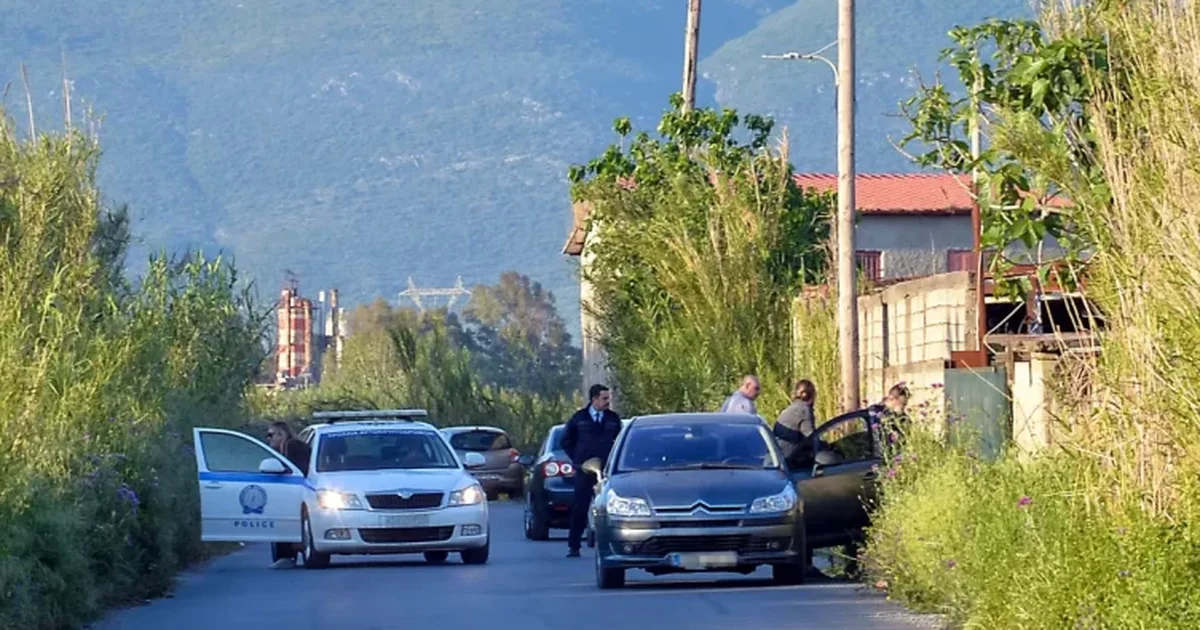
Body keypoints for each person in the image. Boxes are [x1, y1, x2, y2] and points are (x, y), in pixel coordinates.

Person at [560, 384, 622, 558]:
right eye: (604, 398)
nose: (607, 402)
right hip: (585, 471)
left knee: (611, 507)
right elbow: (566, 441)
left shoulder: (613, 419)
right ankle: (574, 546)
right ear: (594, 399)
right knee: (580, 506)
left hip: (607, 471)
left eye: (608, 398)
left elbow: (620, 442)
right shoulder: (579, 418)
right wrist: (578, 461)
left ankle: (613, 544)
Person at [266, 421, 311, 568]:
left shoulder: (290, 446)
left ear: (281, 434)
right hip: (302, 489)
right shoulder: (292, 446)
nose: (269, 439)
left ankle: (286, 556)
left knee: (283, 517)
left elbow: (293, 470)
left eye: (271, 435)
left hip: (297, 490)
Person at [773, 379, 817, 466]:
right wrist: (826, 447)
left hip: (778, 456)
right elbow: (811, 438)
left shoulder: (792, 407)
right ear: (811, 395)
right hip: (788, 459)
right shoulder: (804, 410)